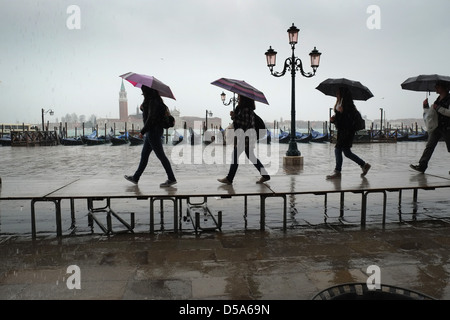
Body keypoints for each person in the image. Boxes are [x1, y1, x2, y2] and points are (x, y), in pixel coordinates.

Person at [124, 85, 177, 187]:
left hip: (153, 132)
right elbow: (153, 115)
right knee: (144, 156)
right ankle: (136, 177)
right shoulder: (155, 102)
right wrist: (144, 108)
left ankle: (171, 178)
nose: (143, 94)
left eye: (143, 92)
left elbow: (151, 119)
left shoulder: (153, 102)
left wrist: (142, 132)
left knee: (161, 156)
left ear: (148, 93)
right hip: (153, 132)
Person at [218, 95, 270, 184]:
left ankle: (229, 178)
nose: (238, 98)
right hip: (248, 137)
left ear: (244, 98)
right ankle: (265, 175)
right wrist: (234, 116)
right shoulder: (246, 109)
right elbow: (241, 121)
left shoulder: (245, 109)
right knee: (251, 156)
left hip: (246, 137)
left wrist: (235, 117)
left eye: (239, 97)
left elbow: (245, 123)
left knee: (235, 155)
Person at [326, 87, 371, 179]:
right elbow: (340, 121)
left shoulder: (348, 106)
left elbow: (348, 121)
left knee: (337, 149)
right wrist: (334, 120)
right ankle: (364, 165)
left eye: (338, 92)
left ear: (343, 94)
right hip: (342, 132)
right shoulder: (340, 103)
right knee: (346, 152)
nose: (336, 94)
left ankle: (337, 172)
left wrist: (343, 113)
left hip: (347, 132)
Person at [410, 80, 450, 173]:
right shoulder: (438, 99)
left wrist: (438, 108)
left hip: (448, 127)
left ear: (444, 87)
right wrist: (426, 107)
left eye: (437, 86)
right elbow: (432, 114)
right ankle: (422, 166)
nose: (435, 88)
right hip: (436, 127)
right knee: (429, 146)